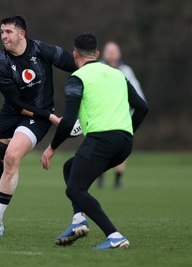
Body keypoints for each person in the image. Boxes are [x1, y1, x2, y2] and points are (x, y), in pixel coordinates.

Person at [41, 33, 148, 249]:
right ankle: (79, 221)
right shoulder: (118, 74)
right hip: (124, 143)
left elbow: (69, 119)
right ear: (97, 54)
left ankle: (114, 235)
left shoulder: (78, 78)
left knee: (74, 190)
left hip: (101, 139)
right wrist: (128, 131)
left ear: (74, 55)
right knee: (70, 169)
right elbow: (143, 107)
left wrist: (51, 148)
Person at [0, 15, 77, 236]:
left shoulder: (40, 49)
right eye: (2, 32)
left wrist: (88, 83)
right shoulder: (2, 64)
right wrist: (52, 117)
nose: (4, 36)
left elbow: (74, 64)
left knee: (11, 157)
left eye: (8, 32)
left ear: (22, 33)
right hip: (13, 112)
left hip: (37, 117)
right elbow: (16, 103)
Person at [97, 41, 146, 188]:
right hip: (102, 115)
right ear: (103, 53)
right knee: (99, 146)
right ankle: (99, 176)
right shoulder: (99, 69)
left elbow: (138, 94)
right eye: (109, 51)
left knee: (121, 147)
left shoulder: (126, 71)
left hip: (122, 117)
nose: (111, 54)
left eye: (114, 51)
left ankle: (118, 179)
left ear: (119, 53)